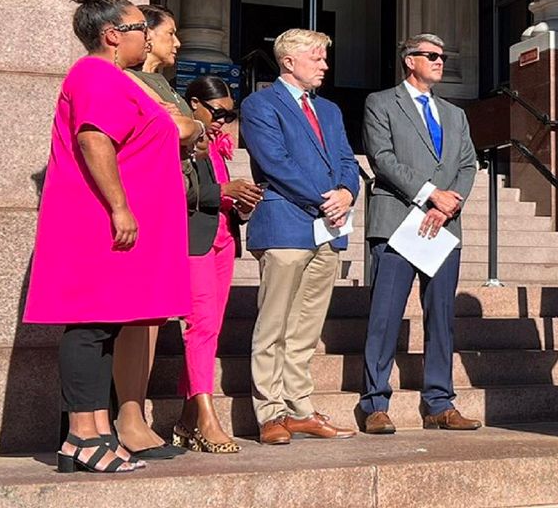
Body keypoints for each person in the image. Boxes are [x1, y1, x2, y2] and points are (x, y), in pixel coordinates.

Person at [23, 0, 189, 473]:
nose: (147, 35)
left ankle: (93, 433)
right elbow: (95, 139)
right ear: (112, 33)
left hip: (113, 223)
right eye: (141, 26)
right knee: (89, 327)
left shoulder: (113, 78)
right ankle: (82, 433)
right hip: (98, 221)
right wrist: (119, 206)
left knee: (102, 326)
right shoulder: (96, 75)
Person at [241, 28, 361, 445]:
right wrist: (324, 199)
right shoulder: (259, 104)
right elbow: (275, 162)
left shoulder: (329, 109)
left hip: (328, 230)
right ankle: (270, 412)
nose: (325, 65)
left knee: (307, 327)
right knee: (274, 324)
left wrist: (347, 193)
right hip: (286, 223)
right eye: (317, 57)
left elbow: (347, 159)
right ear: (289, 61)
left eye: (325, 58)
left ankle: (300, 408)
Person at [358, 34, 481, 434]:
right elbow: (383, 159)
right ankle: (375, 403)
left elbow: (468, 164)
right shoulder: (381, 103)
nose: (439, 61)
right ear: (409, 61)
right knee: (385, 316)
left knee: (441, 318)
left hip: (443, 227)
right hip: (397, 222)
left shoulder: (454, 114)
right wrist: (431, 195)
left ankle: (439, 403)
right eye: (430, 56)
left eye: (443, 56)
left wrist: (452, 203)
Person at [111, 3, 201, 458]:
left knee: (151, 315)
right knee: (134, 316)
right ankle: (127, 416)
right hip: (140, 201)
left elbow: (193, 132)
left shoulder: (162, 84)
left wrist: (189, 125)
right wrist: (185, 126)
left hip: (168, 202)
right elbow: (178, 128)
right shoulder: (124, 79)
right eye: (169, 33)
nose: (176, 43)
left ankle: (134, 412)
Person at [171, 76, 263, 453]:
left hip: (223, 240)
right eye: (218, 112)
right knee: (202, 326)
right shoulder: (183, 138)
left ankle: (186, 418)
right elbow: (177, 189)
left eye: (230, 113)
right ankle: (206, 418)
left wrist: (240, 204)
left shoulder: (220, 144)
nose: (224, 120)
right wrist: (224, 191)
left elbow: (220, 197)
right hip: (195, 242)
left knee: (211, 328)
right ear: (194, 104)